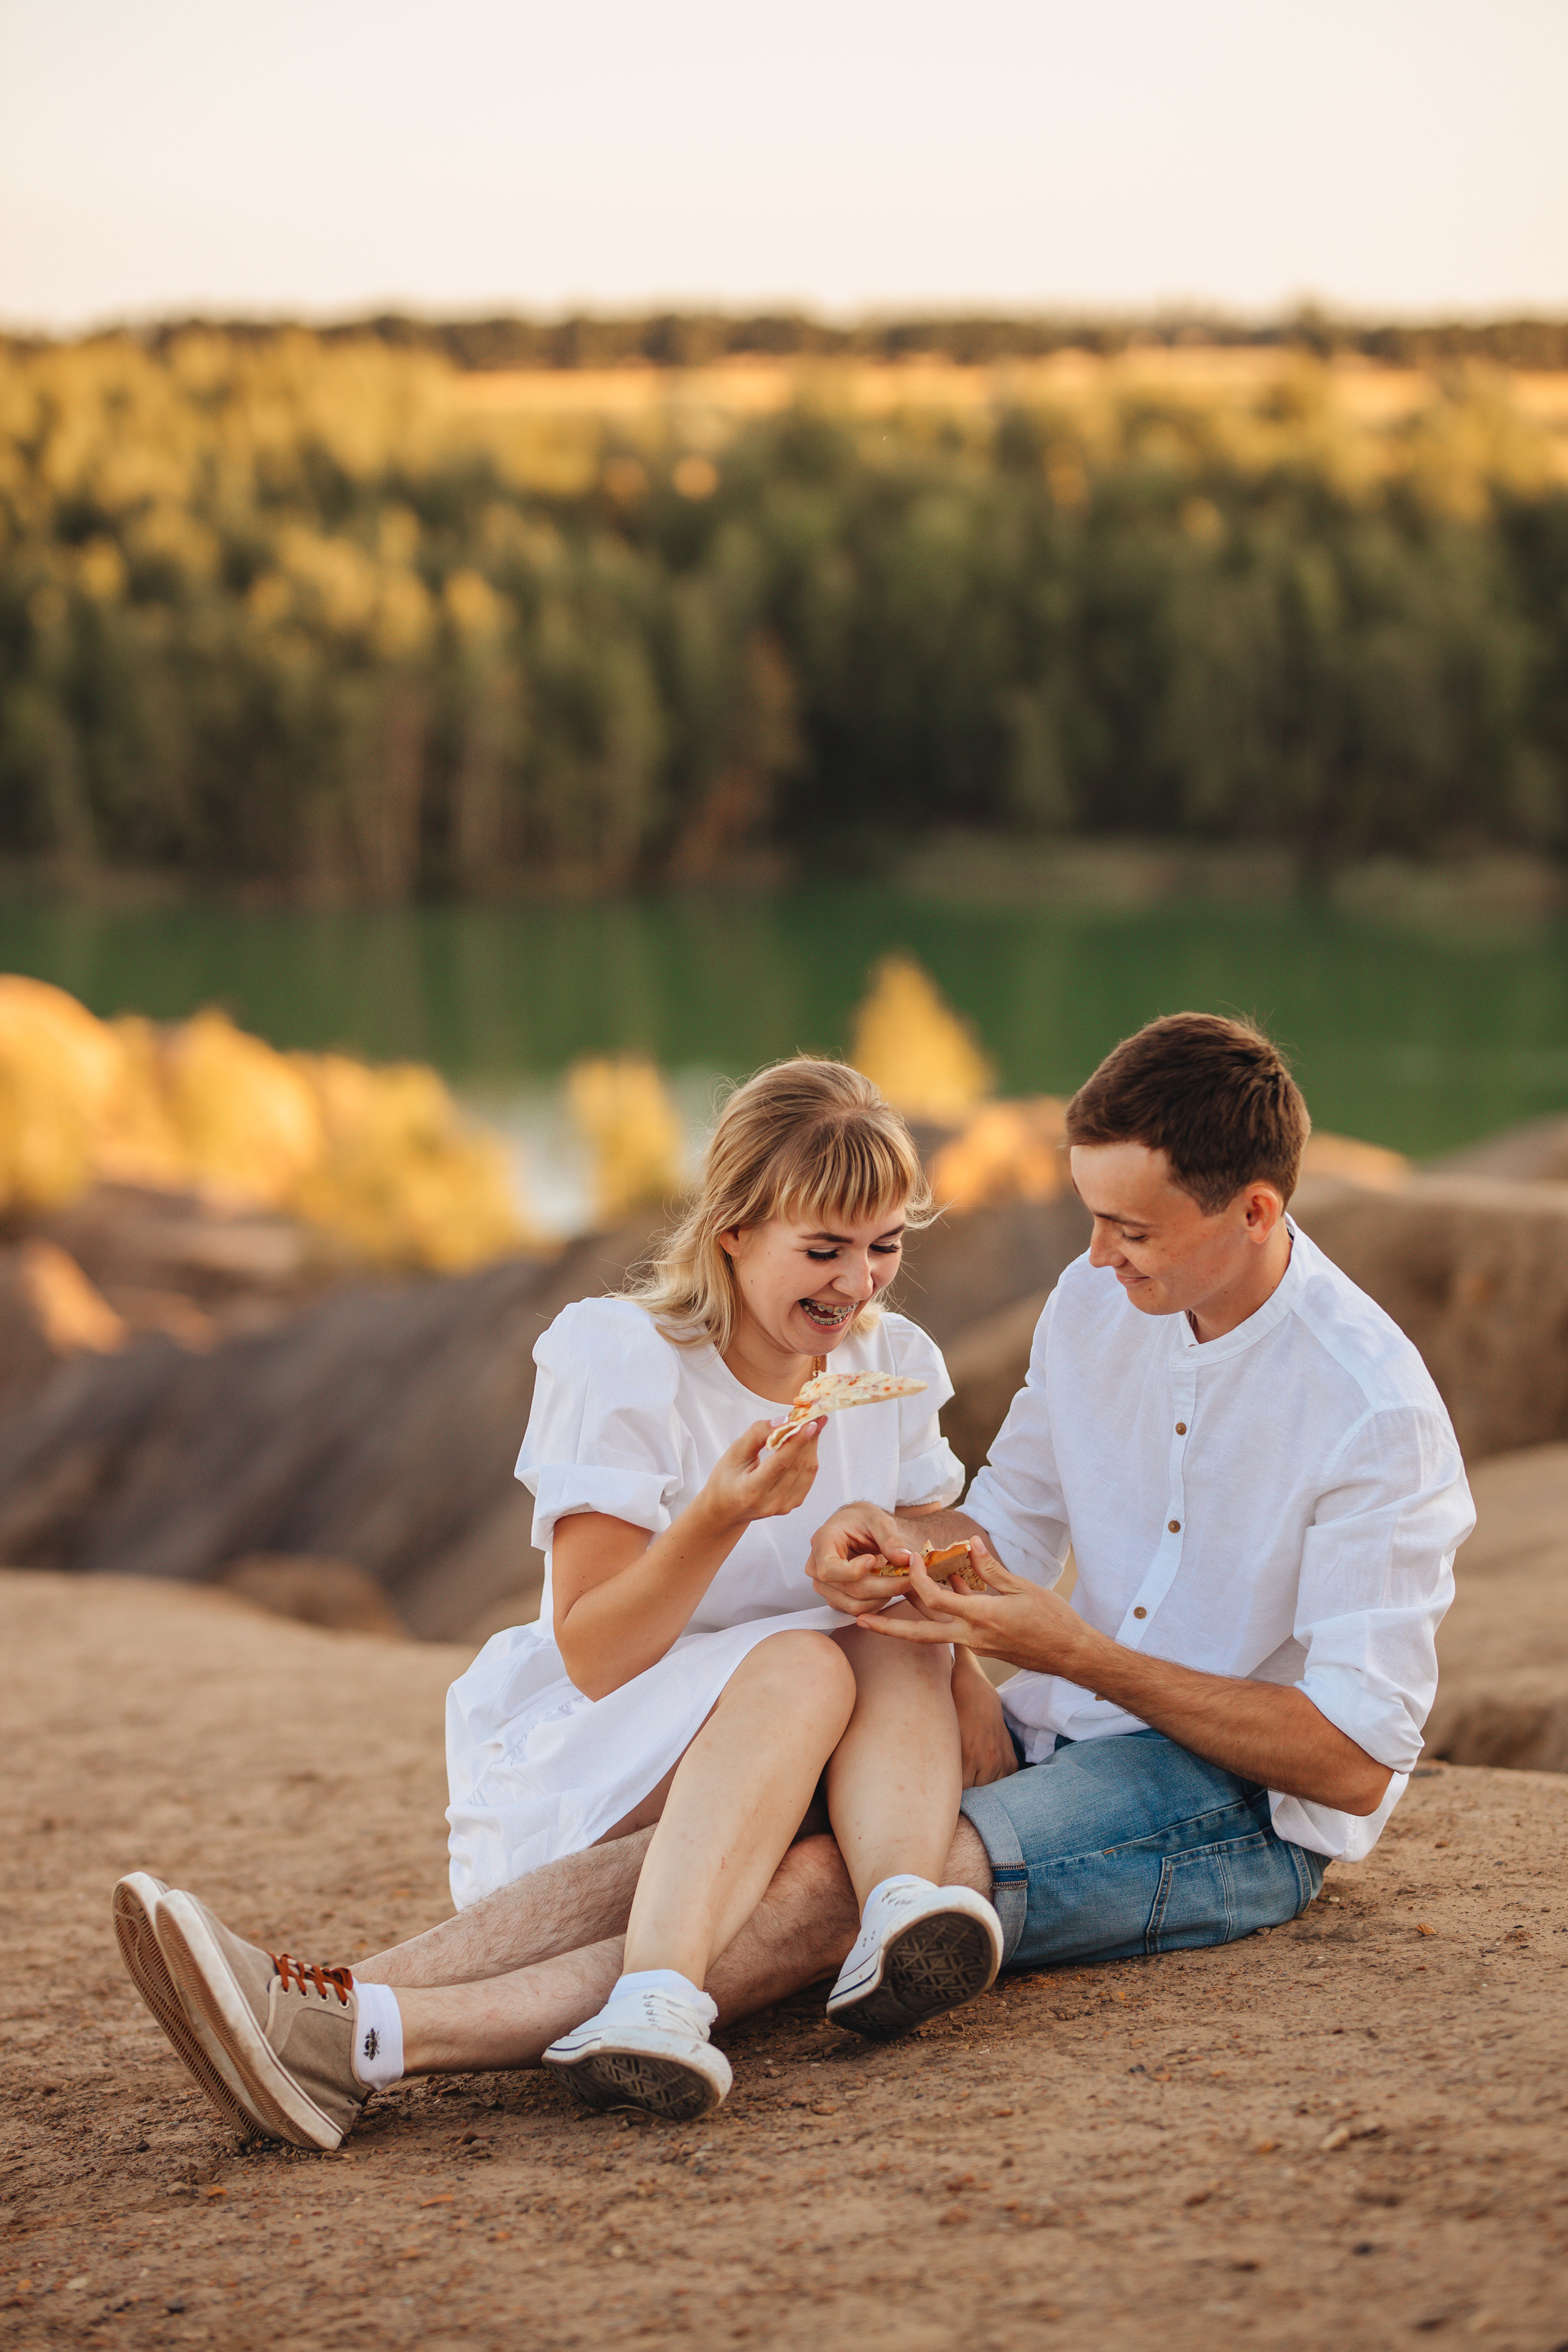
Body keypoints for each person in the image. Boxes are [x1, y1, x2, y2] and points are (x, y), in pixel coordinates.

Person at [114, 1012, 1472, 2155]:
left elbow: (1356, 1762)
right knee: (729, 1841)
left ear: (1253, 1210)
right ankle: (316, 2001)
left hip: (1232, 1803)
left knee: (838, 1878)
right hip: (1055, 1732)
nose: (1098, 1257)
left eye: (1132, 1230)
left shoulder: (1372, 1414)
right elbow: (996, 1520)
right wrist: (887, 1536)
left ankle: (377, 2041)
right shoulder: (1091, 1306)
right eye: (1092, 1220)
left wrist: (1072, 1654)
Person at [118, 1059, 1003, 2144]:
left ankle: (894, 1906)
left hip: (824, 1757)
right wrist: (719, 1516)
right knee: (806, 1661)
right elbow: (595, 1654)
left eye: (885, 1247)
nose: (859, 1285)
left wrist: (923, 1600)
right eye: (824, 1250)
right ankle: (655, 1992)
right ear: (732, 1229)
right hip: (610, 1743)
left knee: (880, 1631)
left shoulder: (890, 1362)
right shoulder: (627, 1358)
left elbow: (945, 1537)